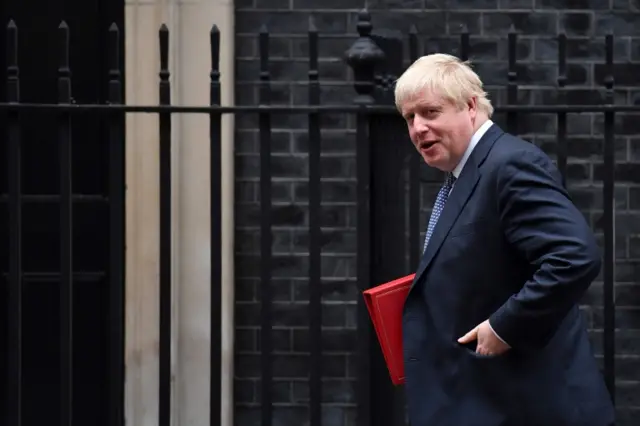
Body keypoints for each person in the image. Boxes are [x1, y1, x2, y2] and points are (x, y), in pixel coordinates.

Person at [395, 53, 615, 426]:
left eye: (430, 112)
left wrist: (504, 327)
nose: (418, 128)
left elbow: (574, 256)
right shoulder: (463, 175)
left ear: (470, 106)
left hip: (529, 406)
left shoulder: (509, 165)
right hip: (485, 400)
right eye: (409, 118)